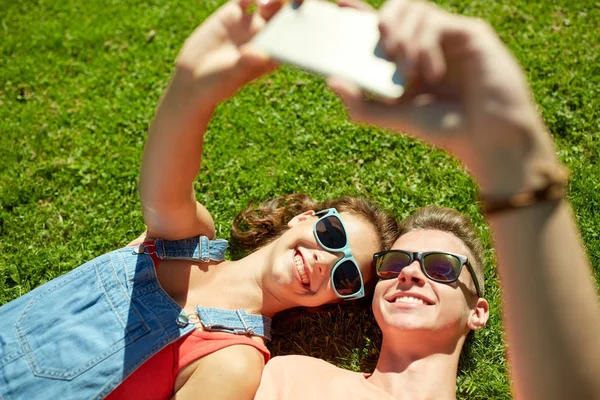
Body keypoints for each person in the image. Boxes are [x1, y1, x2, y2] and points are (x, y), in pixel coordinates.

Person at [0, 1, 400, 399]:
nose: (325, 260)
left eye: (345, 276)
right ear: (304, 218)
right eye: (331, 235)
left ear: (330, 303)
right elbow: (162, 183)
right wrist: (191, 85)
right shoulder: (187, 243)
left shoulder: (236, 363)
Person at [254, 0, 600, 399]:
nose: (409, 274)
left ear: (478, 312)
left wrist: (515, 158)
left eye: (441, 267)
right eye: (395, 262)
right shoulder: (291, 375)